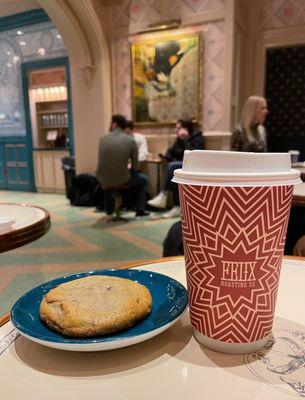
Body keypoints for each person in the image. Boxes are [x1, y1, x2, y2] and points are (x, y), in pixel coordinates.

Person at [148, 119, 205, 218]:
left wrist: (185, 139)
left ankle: (163, 195)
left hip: (194, 165)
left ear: (186, 128)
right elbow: (172, 151)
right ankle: (176, 207)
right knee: (174, 172)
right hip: (181, 165)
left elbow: (194, 154)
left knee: (173, 167)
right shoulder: (179, 139)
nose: (176, 130)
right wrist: (165, 157)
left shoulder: (198, 137)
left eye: (178, 127)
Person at [96, 114, 149, 217]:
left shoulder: (103, 139)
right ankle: (140, 210)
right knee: (144, 180)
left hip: (101, 178)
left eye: (110, 123)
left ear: (114, 124)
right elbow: (136, 167)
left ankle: (109, 210)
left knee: (108, 176)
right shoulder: (130, 140)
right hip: (121, 179)